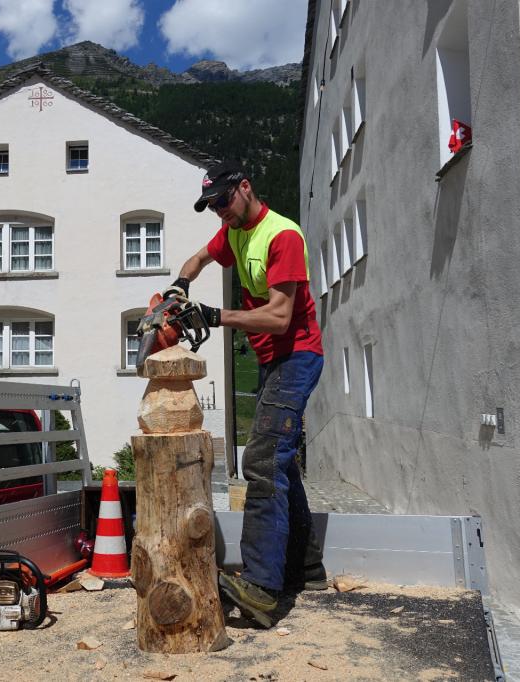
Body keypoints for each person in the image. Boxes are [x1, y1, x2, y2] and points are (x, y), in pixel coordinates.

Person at [165, 161, 326, 628]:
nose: (220, 211)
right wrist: (178, 288)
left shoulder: (282, 236)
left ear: (245, 188)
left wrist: (215, 316)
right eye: (212, 206)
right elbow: (196, 260)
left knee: (260, 460)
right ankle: (306, 567)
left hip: (297, 356)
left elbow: (279, 316)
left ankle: (262, 588)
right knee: (280, 461)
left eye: (223, 201)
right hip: (273, 360)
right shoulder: (233, 230)